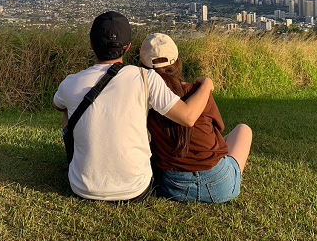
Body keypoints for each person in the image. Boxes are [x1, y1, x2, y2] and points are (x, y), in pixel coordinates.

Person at [52, 12, 215, 202]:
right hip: (135, 190)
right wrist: (206, 85)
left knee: (66, 110)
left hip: (82, 188)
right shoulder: (145, 78)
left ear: (91, 44)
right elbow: (188, 117)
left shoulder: (70, 82)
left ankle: (81, 162)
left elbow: (58, 105)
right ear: (128, 47)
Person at [140, 33, 252, 203]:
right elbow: (217, 129)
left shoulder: (144, 97)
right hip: (220, 185)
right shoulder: (197, 92)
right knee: (243, 130)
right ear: (177, 62)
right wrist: (206, 84)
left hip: (173, 187)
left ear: (142, 65)